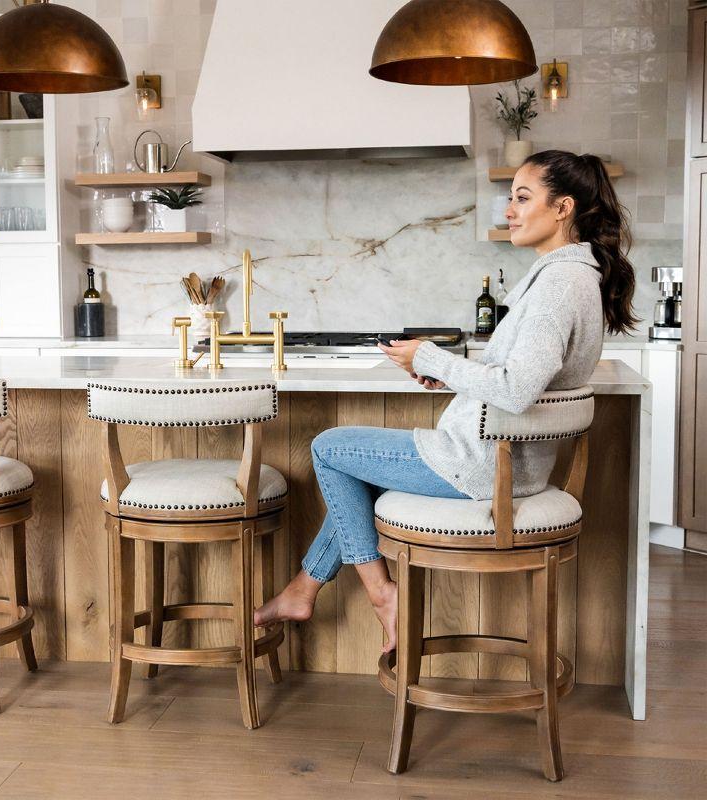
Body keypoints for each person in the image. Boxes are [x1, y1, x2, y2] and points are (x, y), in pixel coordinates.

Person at [254, 150, 639, 652]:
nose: (509, 209)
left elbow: (516, 391)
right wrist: (452, 377)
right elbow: (516, 380)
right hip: (509, 463)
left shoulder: (559, 286)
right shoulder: (572, 277)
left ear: (563, 207)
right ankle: (302, 591)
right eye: (511, 197)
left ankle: (380, 594)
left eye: (523, 197)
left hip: (484, 467)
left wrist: (433, 358)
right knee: (357, 472)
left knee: (330, 448)